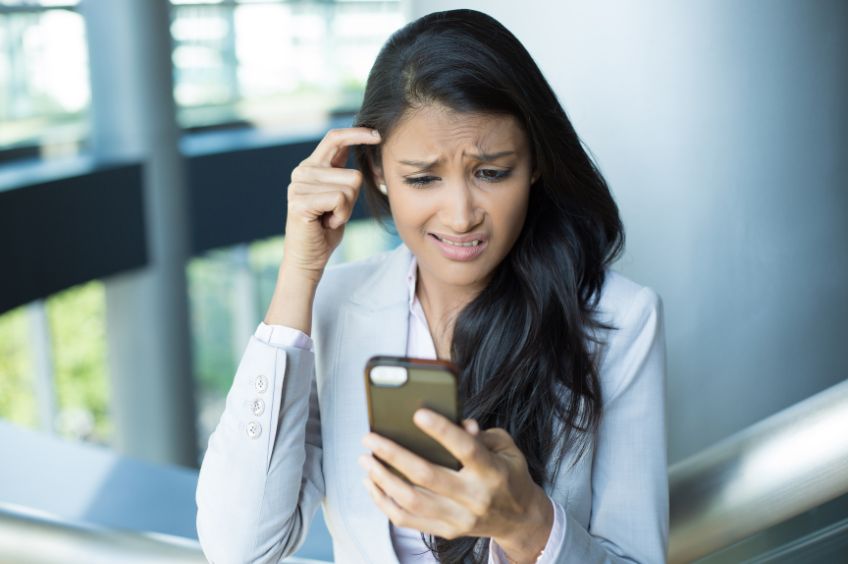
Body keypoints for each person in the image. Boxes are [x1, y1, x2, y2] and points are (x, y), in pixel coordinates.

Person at [195, 8, 667, 564]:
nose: (462, 215)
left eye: (492, 172)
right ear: (377, 174)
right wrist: (300, 274)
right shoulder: (336, 309)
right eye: (423, 179)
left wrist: (527, 524)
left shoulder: (618, 321)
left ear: (535, 163)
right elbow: (240, 548)